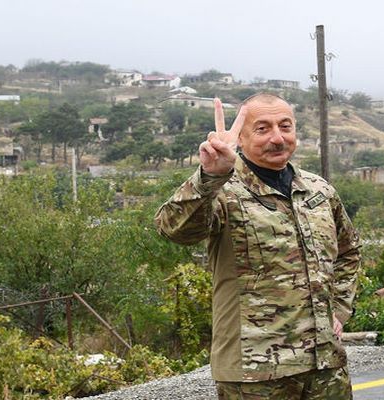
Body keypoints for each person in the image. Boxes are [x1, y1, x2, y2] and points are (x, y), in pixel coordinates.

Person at [154, 93, 361, 399]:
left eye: (285, 127)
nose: (277, 138)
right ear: (241, 137)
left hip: (326, 366)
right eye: (263, 129)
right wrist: (209, 177)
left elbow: (349, 250)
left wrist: (339, 309)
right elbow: (173, 230)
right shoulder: (224, 192)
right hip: (255, 372)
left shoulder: (319, 191)